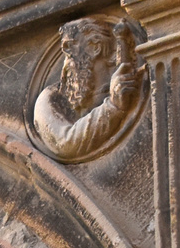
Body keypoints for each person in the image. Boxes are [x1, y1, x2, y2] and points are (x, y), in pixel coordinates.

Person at [32, 17, 143, 161]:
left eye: (70, 45)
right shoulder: (51, 98)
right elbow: (65, 143)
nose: (66, 54)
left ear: (95, 47)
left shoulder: (123, 82)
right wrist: (113, 106)